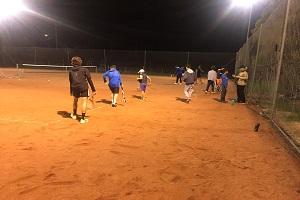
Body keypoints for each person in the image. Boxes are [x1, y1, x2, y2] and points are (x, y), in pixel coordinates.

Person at [69, 56, 97, 124]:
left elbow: (71, 81)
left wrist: (71, 91)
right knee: (84, 101)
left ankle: (74, 115)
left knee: (75, 100)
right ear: (80, 62)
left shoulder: (70, 71)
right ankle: (82, 118)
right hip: (83, 87)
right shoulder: (85, 70)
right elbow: (89, 79)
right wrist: (93, 89)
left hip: (75, 87)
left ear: (73, 63)